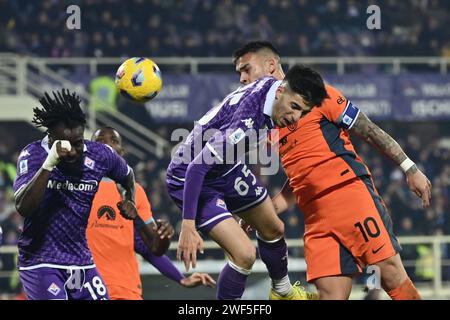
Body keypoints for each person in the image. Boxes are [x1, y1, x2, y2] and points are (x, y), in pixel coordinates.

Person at [233, 41, 431, 300]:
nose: (242, 78)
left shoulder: (317, 94)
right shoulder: (267, 122)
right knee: (330, 296)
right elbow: (299, 179)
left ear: (271, 65)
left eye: (246, 69)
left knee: (390, 274)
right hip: (315, 219)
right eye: (239, 73)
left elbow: (368, 130)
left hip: (349, 197)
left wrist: (409, 167)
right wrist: (260, 213)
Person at [168, 66, 319, 300]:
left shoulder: (275, 85)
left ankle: (283, 292)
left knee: (274, 228)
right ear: (280, 92)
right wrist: (188, 225)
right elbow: (196, 168)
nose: (295, 118)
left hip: (226, 166)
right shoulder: (245, 126)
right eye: (294, 107)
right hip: (189, 176)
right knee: (245, 254)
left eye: (302, 112)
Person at [13, 89, 153, 300]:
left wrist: (129, 199)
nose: (73, 151)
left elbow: (128, 175)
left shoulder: (100, 155)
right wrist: (49, 163)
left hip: (81, 260)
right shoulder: (33, 155)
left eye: (78, 143)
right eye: (66, 145)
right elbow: (23, 207)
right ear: (51, 137)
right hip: (41, 260)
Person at [87, 127, 216, 300]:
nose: (107, 145)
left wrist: (180, 278)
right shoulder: (79, 187)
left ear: (122, 151)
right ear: (89, 150)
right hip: (88, 289)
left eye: (114, 141)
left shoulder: (136, 192)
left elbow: (148, 247)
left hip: (126, 290)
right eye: (100, 141)